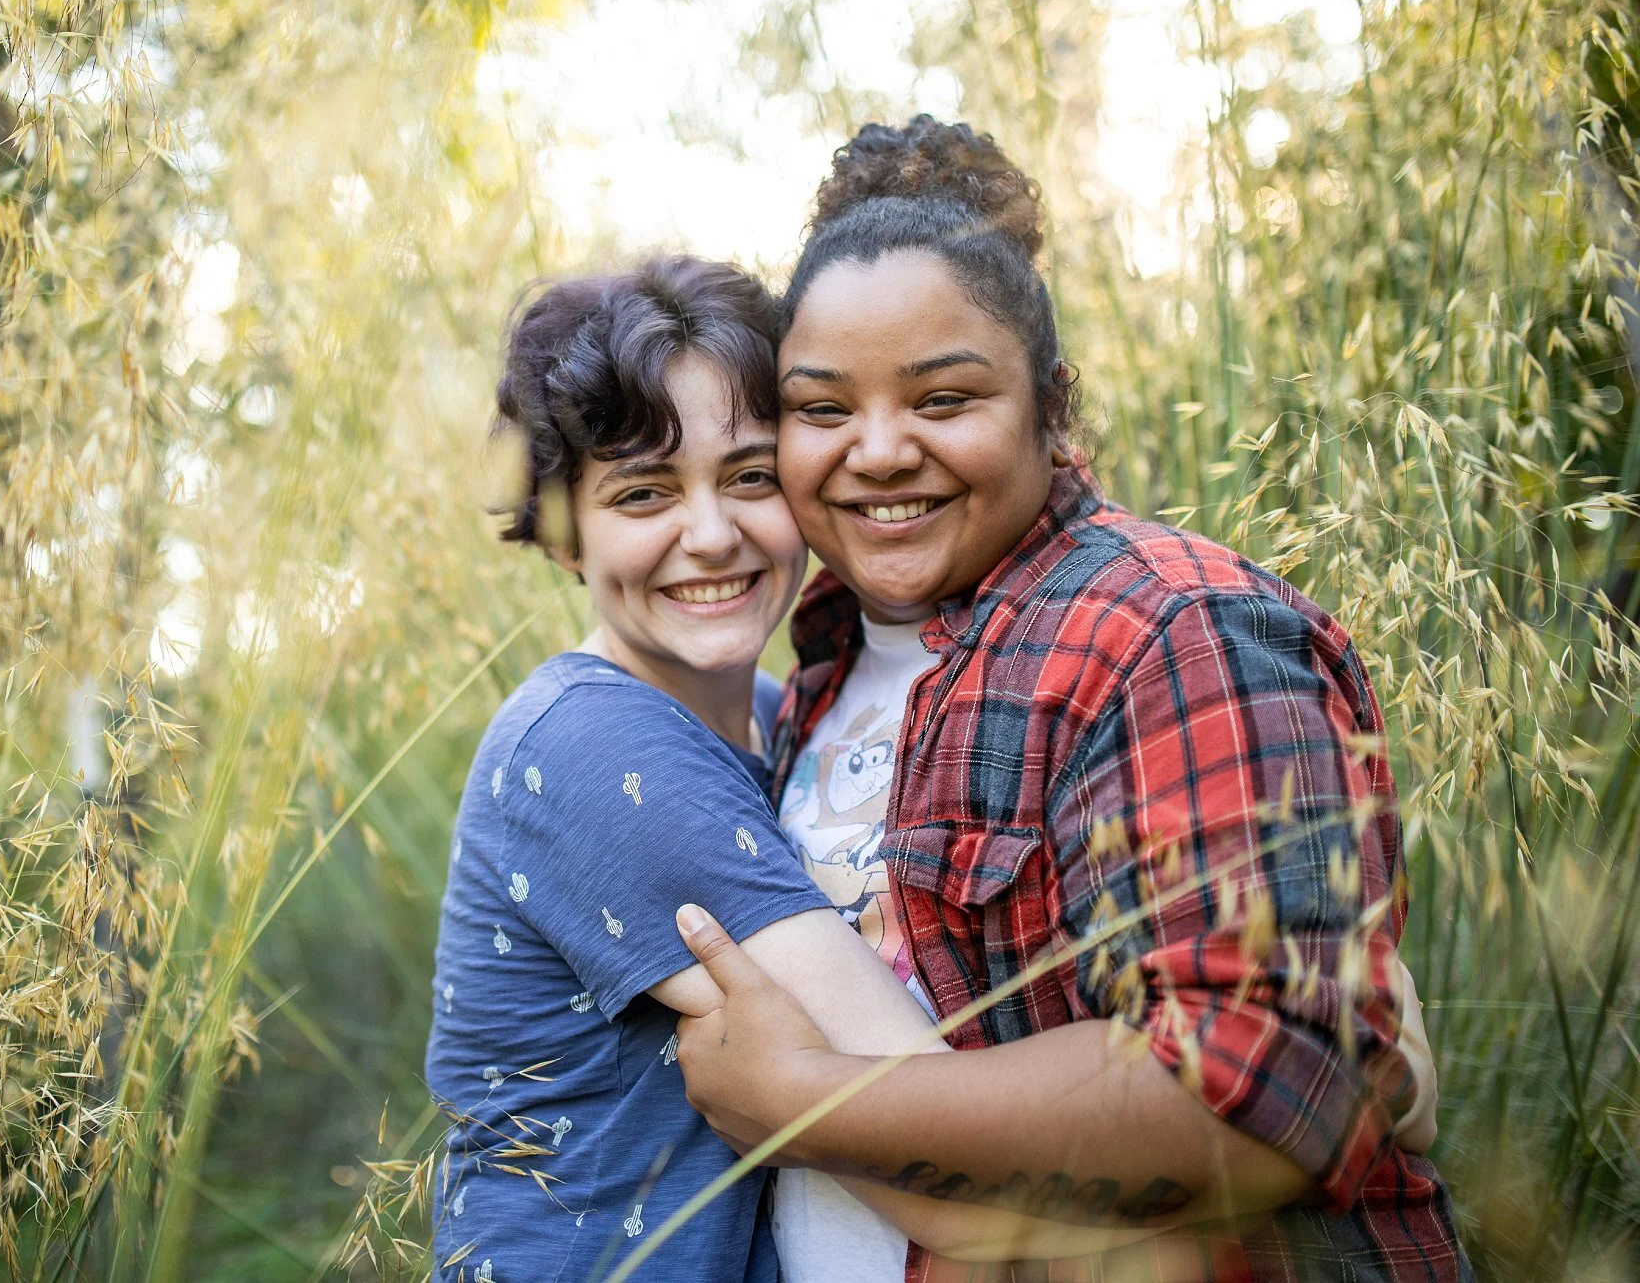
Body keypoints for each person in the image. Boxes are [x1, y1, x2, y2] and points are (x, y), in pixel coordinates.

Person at [423, 252, 1437, 1283]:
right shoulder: (593, 743)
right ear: (561, 536)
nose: (712, 534)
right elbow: (935, 1165)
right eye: (642, 495)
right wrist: (1312, 1116)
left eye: (749, 475)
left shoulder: (790, 716)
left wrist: (1329, 1024)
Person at [669, 117, 1467, 1281]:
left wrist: (803, 1102)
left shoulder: (1166, 632)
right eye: (823, 409)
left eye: (942, 400)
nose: (877, 451)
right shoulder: (807, 696)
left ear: (1051, 409)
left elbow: (1262, 1095)